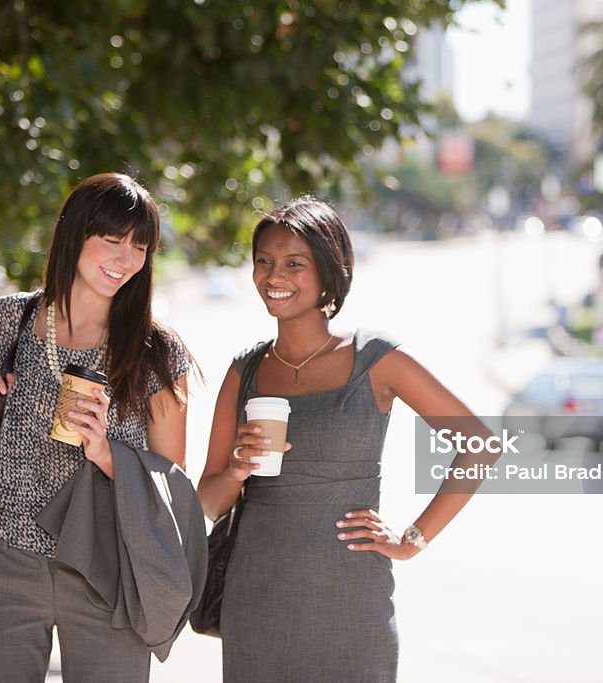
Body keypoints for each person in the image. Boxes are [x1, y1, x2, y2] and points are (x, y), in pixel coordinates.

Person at [197, 198, 494, 682]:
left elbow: (480, 444)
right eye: (264, 262)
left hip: (351, 606)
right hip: (256, 605)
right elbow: (206, 503)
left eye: (295, 264)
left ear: (330, 272)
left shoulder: (374, 360)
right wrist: (236, 468)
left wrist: (411, 540)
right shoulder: (244, 371)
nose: (275, 277)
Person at [0, 172, 191, 682]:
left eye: (139, 247)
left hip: (105, 566)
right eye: (112, 241)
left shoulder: (155, 350)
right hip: (4, 556)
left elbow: (170, 478)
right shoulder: (10, 321)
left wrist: (107, 453)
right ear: (73, 235)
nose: (126, 260)